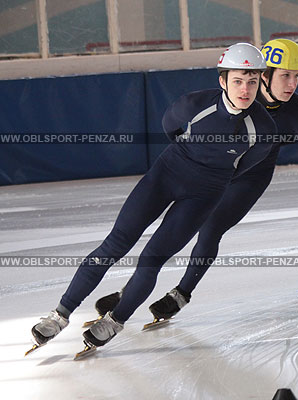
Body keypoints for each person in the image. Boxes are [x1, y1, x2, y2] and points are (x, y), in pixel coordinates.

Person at [29, 43, 277, 350]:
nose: (245, 89)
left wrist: (211, 177)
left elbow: (244, 167)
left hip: (204, 194)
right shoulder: (193, 104)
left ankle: (115, 320)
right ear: (223, 80)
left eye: (253, 81)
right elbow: (170, 127)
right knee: (116, 242)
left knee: (151, 260)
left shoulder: (263, 129)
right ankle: (60, 314)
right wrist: (187, 158)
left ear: (260, 82)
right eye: (238, 80)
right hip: (166, 175)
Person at [85, 39, 298, 323]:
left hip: (250, 175)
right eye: (285, 76)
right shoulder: (240, 89)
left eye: (297, 76)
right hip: (210, 168)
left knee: (211, 228)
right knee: (169, 232)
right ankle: (133, 289)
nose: (292, 84)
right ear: (263, 75)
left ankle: (183, 291)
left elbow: (271, 147)